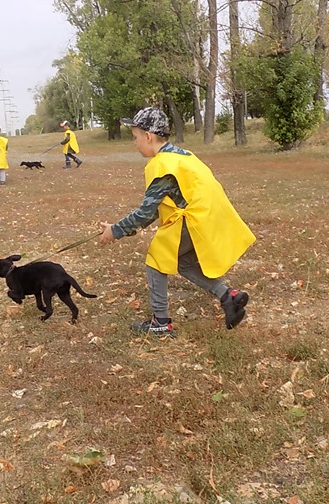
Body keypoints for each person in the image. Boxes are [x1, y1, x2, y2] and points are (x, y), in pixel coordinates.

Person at [98, 106, 254, 336]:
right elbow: (157, 208)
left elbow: (146, 212)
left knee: (157, 259)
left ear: (148, 136)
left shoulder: (162, 165)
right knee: (183, 262)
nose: (135, 143)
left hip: (194, 220)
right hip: (209, 217)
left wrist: (115, 231)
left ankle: (160, 322)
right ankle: (228, 297)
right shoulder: (182, 155)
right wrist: (121, 229)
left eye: (135, 137)